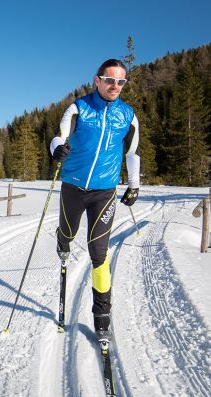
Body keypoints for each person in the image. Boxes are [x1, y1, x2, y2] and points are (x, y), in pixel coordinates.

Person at [50, 58, 140, 338]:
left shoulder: (128, 116)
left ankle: (102, 316)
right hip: (73, 188)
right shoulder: (79, 108)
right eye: (110, 80)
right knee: (68, 231)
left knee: (99, 253)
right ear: (97, 80)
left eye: (120, 82)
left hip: (105, 192)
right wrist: (57, 150)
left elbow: (132, 153)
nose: (115, 86)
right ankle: (62, 240)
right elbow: (59, 137)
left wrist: (134, 185)